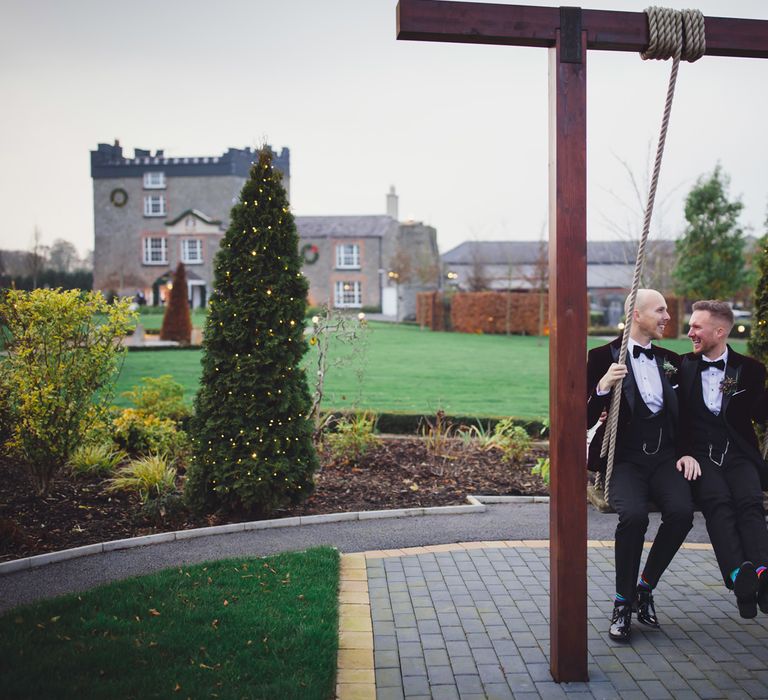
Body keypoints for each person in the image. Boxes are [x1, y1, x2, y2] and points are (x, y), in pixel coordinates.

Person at [587, 289, 700, 642]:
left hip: (665, 457)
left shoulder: (671, 360)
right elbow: (583, 414)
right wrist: (603, 387)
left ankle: (645, 587)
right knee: (633, 516)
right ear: (637, 314)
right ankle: (622, 603)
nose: (667, 316)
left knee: (682, 513)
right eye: (660, 310)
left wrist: (687, 451)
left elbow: (688, 414)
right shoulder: (600, 356)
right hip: (625, 459)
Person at [680, 300, 768, 618]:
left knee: (749, 502)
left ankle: (761, 574)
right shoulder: (683, 366)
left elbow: (759, 414)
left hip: (740, 454)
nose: (690, 332)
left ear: (719, 331)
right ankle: (738, 578)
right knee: (718, 503)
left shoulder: (752, 370)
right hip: (702, 457)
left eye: (696, 327)